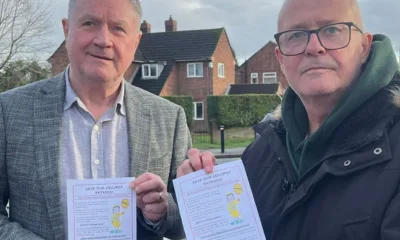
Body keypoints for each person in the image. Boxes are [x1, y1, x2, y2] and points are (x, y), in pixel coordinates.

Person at [178, 0, 400, 239]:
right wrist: (206, 195)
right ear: (280, 57)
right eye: (296, 35)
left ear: (364, 47)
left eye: (332, 30)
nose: (313, 47)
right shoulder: (261, 150)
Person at [0, 0, 190, 239]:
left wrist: (162, 211)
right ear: (67, 30)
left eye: (118, 28)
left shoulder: (169, 118)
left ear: (136, 41)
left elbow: (184, 224)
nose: (103, 40)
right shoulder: (9, 110)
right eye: (90, 23)